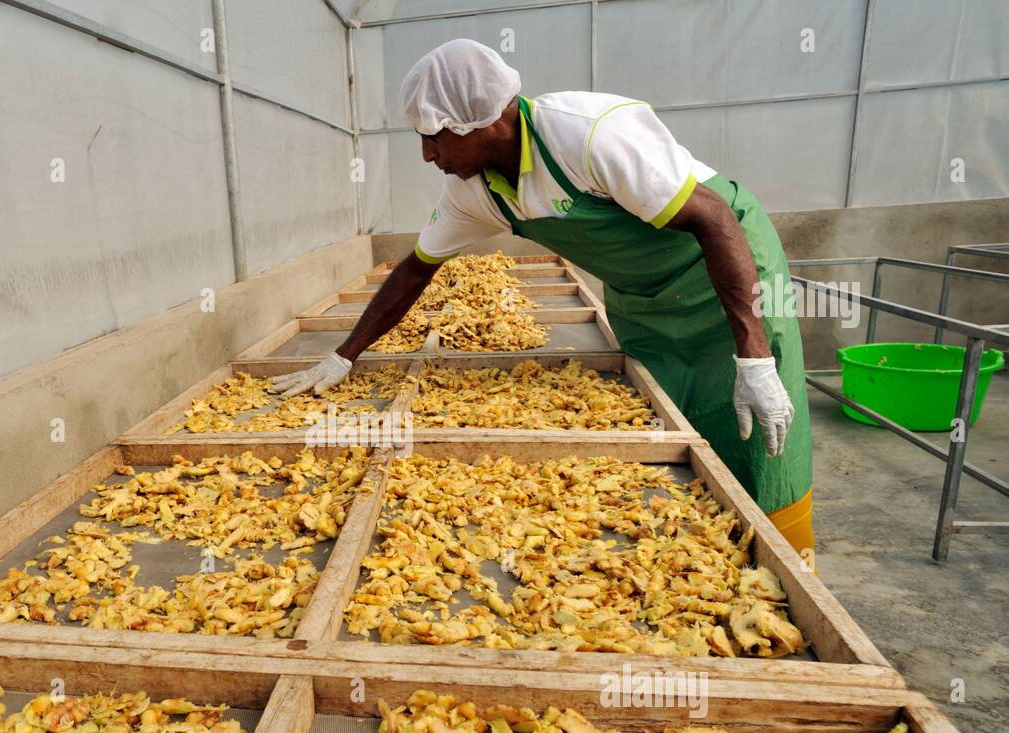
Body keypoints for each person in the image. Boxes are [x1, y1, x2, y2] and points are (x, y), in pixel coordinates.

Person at [270, 38, 813, 554]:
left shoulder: (589, 134)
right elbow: (415, 271)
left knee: (760, 430)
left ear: (484, 120)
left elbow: (714, 220)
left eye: (435, 136)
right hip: (644, 297)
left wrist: (755, 354)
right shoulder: (472, 191)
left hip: (729, 276)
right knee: (670, 418)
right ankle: (689, 545)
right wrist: (345, 354)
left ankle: (784, 568)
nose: (427, 154)